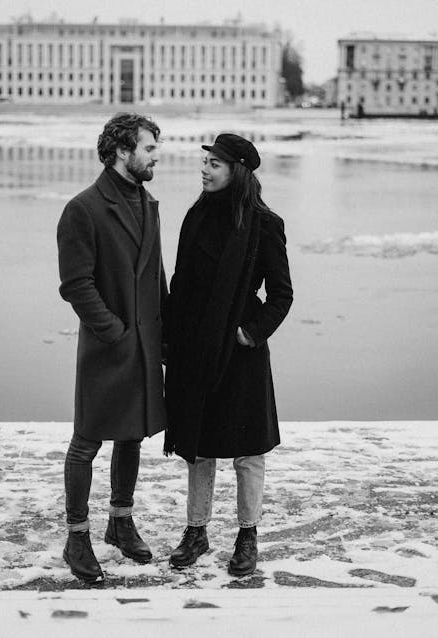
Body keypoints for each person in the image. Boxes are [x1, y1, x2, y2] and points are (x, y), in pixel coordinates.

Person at [164, 133, 293, 577]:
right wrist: (170, 340)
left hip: (240, 353)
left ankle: (247, 534)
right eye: (205, 162)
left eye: (215, 164)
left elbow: (281, 295)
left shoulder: (264, 224)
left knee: (247, 451)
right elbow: (180, 284)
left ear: (235, 171)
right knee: (199, 447)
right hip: (196, 348)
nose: (205, 170)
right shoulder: (196, 216)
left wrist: (249, 334)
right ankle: (196, 531)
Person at [57, 112, 167, 583]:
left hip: (144, 344)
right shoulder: (83, 208)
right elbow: (76, 284)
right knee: (87, 442)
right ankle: (76, 536)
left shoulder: (148, 203)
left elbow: (155, 275)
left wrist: (165, 337)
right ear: (122, 151)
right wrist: (112, 330)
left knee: (132, 434)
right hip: (108, 346)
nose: (155, 157)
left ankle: (119, 522)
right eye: (148, 149)